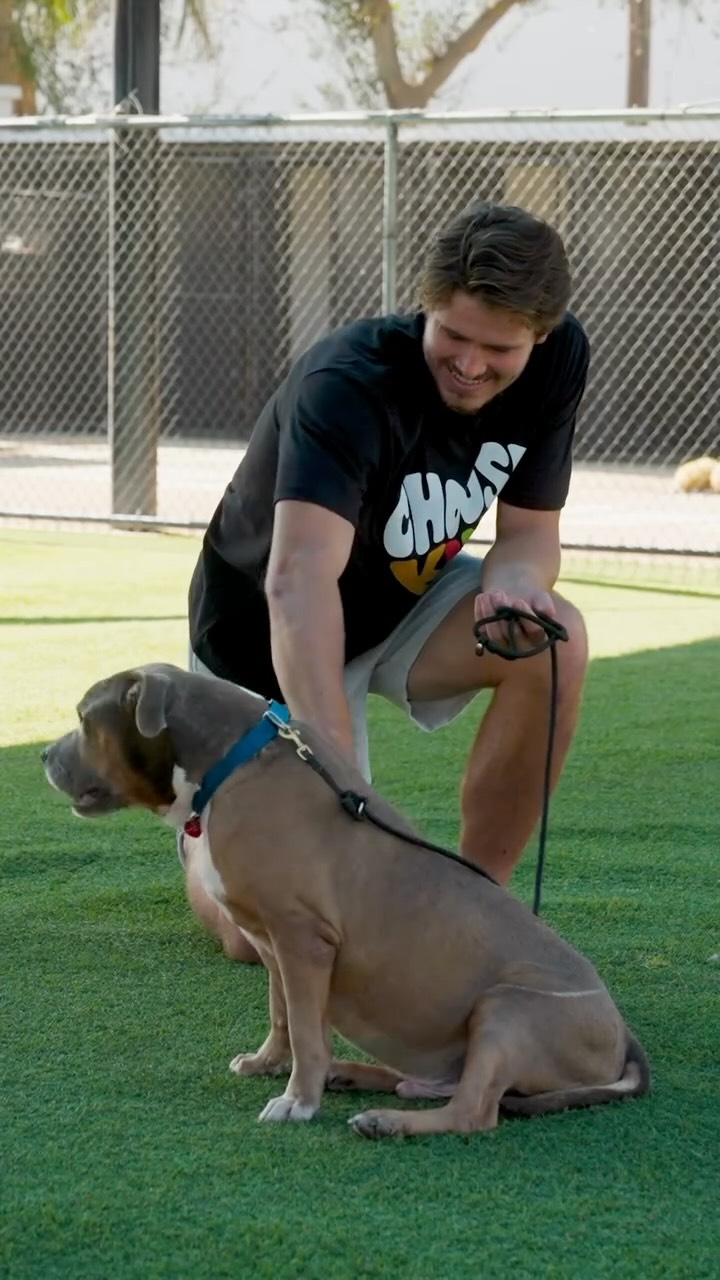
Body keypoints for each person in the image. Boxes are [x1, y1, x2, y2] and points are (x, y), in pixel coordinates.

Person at [185, 200, 590, 962]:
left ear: (541, 333)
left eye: (498, 348)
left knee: (554, 642)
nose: (471, 365)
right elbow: (298, 581)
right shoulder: (350, 379)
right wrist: (337, 775)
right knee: (266, 935)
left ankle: (480, 905)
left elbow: (530, 534)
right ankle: (202, 843)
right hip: (262, 640)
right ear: (425, 306)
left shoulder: (559, 358)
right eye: (454, 336)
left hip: (401, 603)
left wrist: (513, 588)